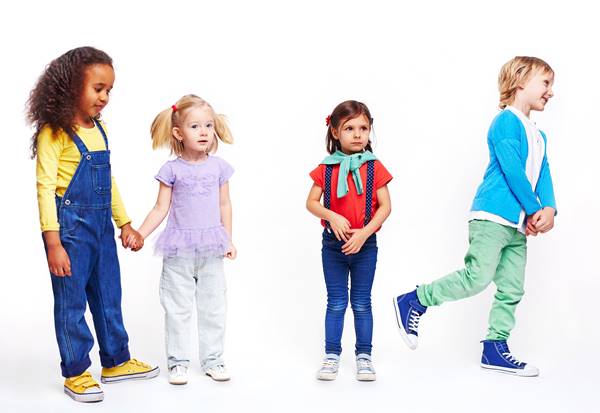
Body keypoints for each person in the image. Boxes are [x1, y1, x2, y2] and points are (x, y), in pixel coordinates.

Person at [393, 56, 557, 377]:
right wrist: (535, 208)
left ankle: (494, 347)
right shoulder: (506, 122)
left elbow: (544, 173)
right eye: (546, 83)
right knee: (476, 277)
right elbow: (511, 169)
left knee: (512, 288)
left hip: (516, 225)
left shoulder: (538, 134)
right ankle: (414, 300)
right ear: (521, 81)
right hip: (492, 216)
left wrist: (548, 208)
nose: (551, 92)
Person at [28, 46, 158, 403]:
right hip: (69, 230)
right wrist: (53, 242)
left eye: (109, 91)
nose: (104, 97)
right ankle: (75, 371)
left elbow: (108, 179)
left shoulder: (97, 129)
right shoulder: (53, 133)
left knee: (107, 293)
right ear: (71, 86)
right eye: (98, 88)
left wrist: (125, 222)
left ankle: (116, 360)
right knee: (71, 302)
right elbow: (44, 189)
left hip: (101, 226)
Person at [129, 94, 235, 385]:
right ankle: (178, 362)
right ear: (178, 133)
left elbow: (225, 204)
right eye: (195, 126)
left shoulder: (219, 168)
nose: (204, 132)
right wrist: (140, 232)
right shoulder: (172, 170)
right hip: (179, 249)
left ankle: (214, 359)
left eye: (209, 126)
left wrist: (228, 238)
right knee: (177, 308)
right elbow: (161, 208)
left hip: (212, 247)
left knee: (214, 307)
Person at [307, 100, 392, 381]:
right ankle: (331, 355)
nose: (358, 134)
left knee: (362, 302)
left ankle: (364, 356)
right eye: (350, 128)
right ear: (335, 132)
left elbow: (385, 207)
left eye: (363, 128)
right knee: (336, 302)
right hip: (333, 246)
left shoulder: (374, 167)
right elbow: (311, 202)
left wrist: (365, 233)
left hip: (365, 246)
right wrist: (332, 216)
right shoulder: (327, 168)